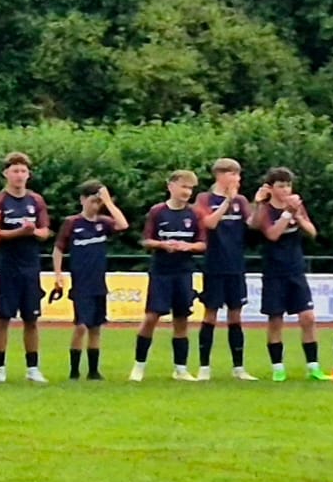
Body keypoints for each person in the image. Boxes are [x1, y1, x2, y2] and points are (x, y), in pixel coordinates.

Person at [252, 166, 327, 381]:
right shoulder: (265, 209)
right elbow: (273, 234)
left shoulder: (297, 206)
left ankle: (313, 366)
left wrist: (299, 216)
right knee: (275, 320)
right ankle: (278, 368)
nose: (285, 190)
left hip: (296, 269)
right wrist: (287, 213)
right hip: (274, 271)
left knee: (308, 317)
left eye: (288, 185)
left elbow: (312, 232)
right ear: (271, 188)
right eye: (281, 186)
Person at [130, 172, 203, 382]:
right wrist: (163, 245)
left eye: (190, 188)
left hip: (184, 272)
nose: (187, 192)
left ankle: (180, 369)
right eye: (184, 187)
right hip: (161, 272)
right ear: (170, 186)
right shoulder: (157, 212)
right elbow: (146, 240)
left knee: (181, 319)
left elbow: (202, 243)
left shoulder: (194, 214)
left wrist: (188, 246)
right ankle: (138, 367)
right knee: (152, 317)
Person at [51, 180, 126, 381]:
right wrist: (58, 274)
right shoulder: (72, 223)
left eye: (98, 202)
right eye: (92, 201)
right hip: (81, 282)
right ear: (83, 200)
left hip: (98, 282)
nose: (95, 205)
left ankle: (93, 370)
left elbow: (123, 224)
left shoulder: (103, 223)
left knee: (96, 327)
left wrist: (109, 202)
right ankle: (74, 370)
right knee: (81, 326)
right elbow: (58, 249)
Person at [0, 151, 51, 383]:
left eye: (23, 171)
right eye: (15, 171)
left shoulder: (36, 200)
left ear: (29, 175)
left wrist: (33, 231)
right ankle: (0, 368)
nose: (19, 175)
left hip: (30, 267)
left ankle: (33, 368)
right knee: (3, 318)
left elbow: (45, 232)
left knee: (31, 319)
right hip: (8, 266)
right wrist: (18, 232)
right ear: (6, 174)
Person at [196, 157, 256, 381]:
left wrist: (258, 203)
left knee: (235, 315)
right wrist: (226, 202)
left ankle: (238, 367)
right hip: (214, 265)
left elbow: (254, 224)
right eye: (233, 174)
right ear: (220, 175)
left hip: (236, 265)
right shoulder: (204, 198)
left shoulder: (241, 200)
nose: (237, 179)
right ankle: (204, 367)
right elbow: (209, 223)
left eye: (238, 175)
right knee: (210, 313)